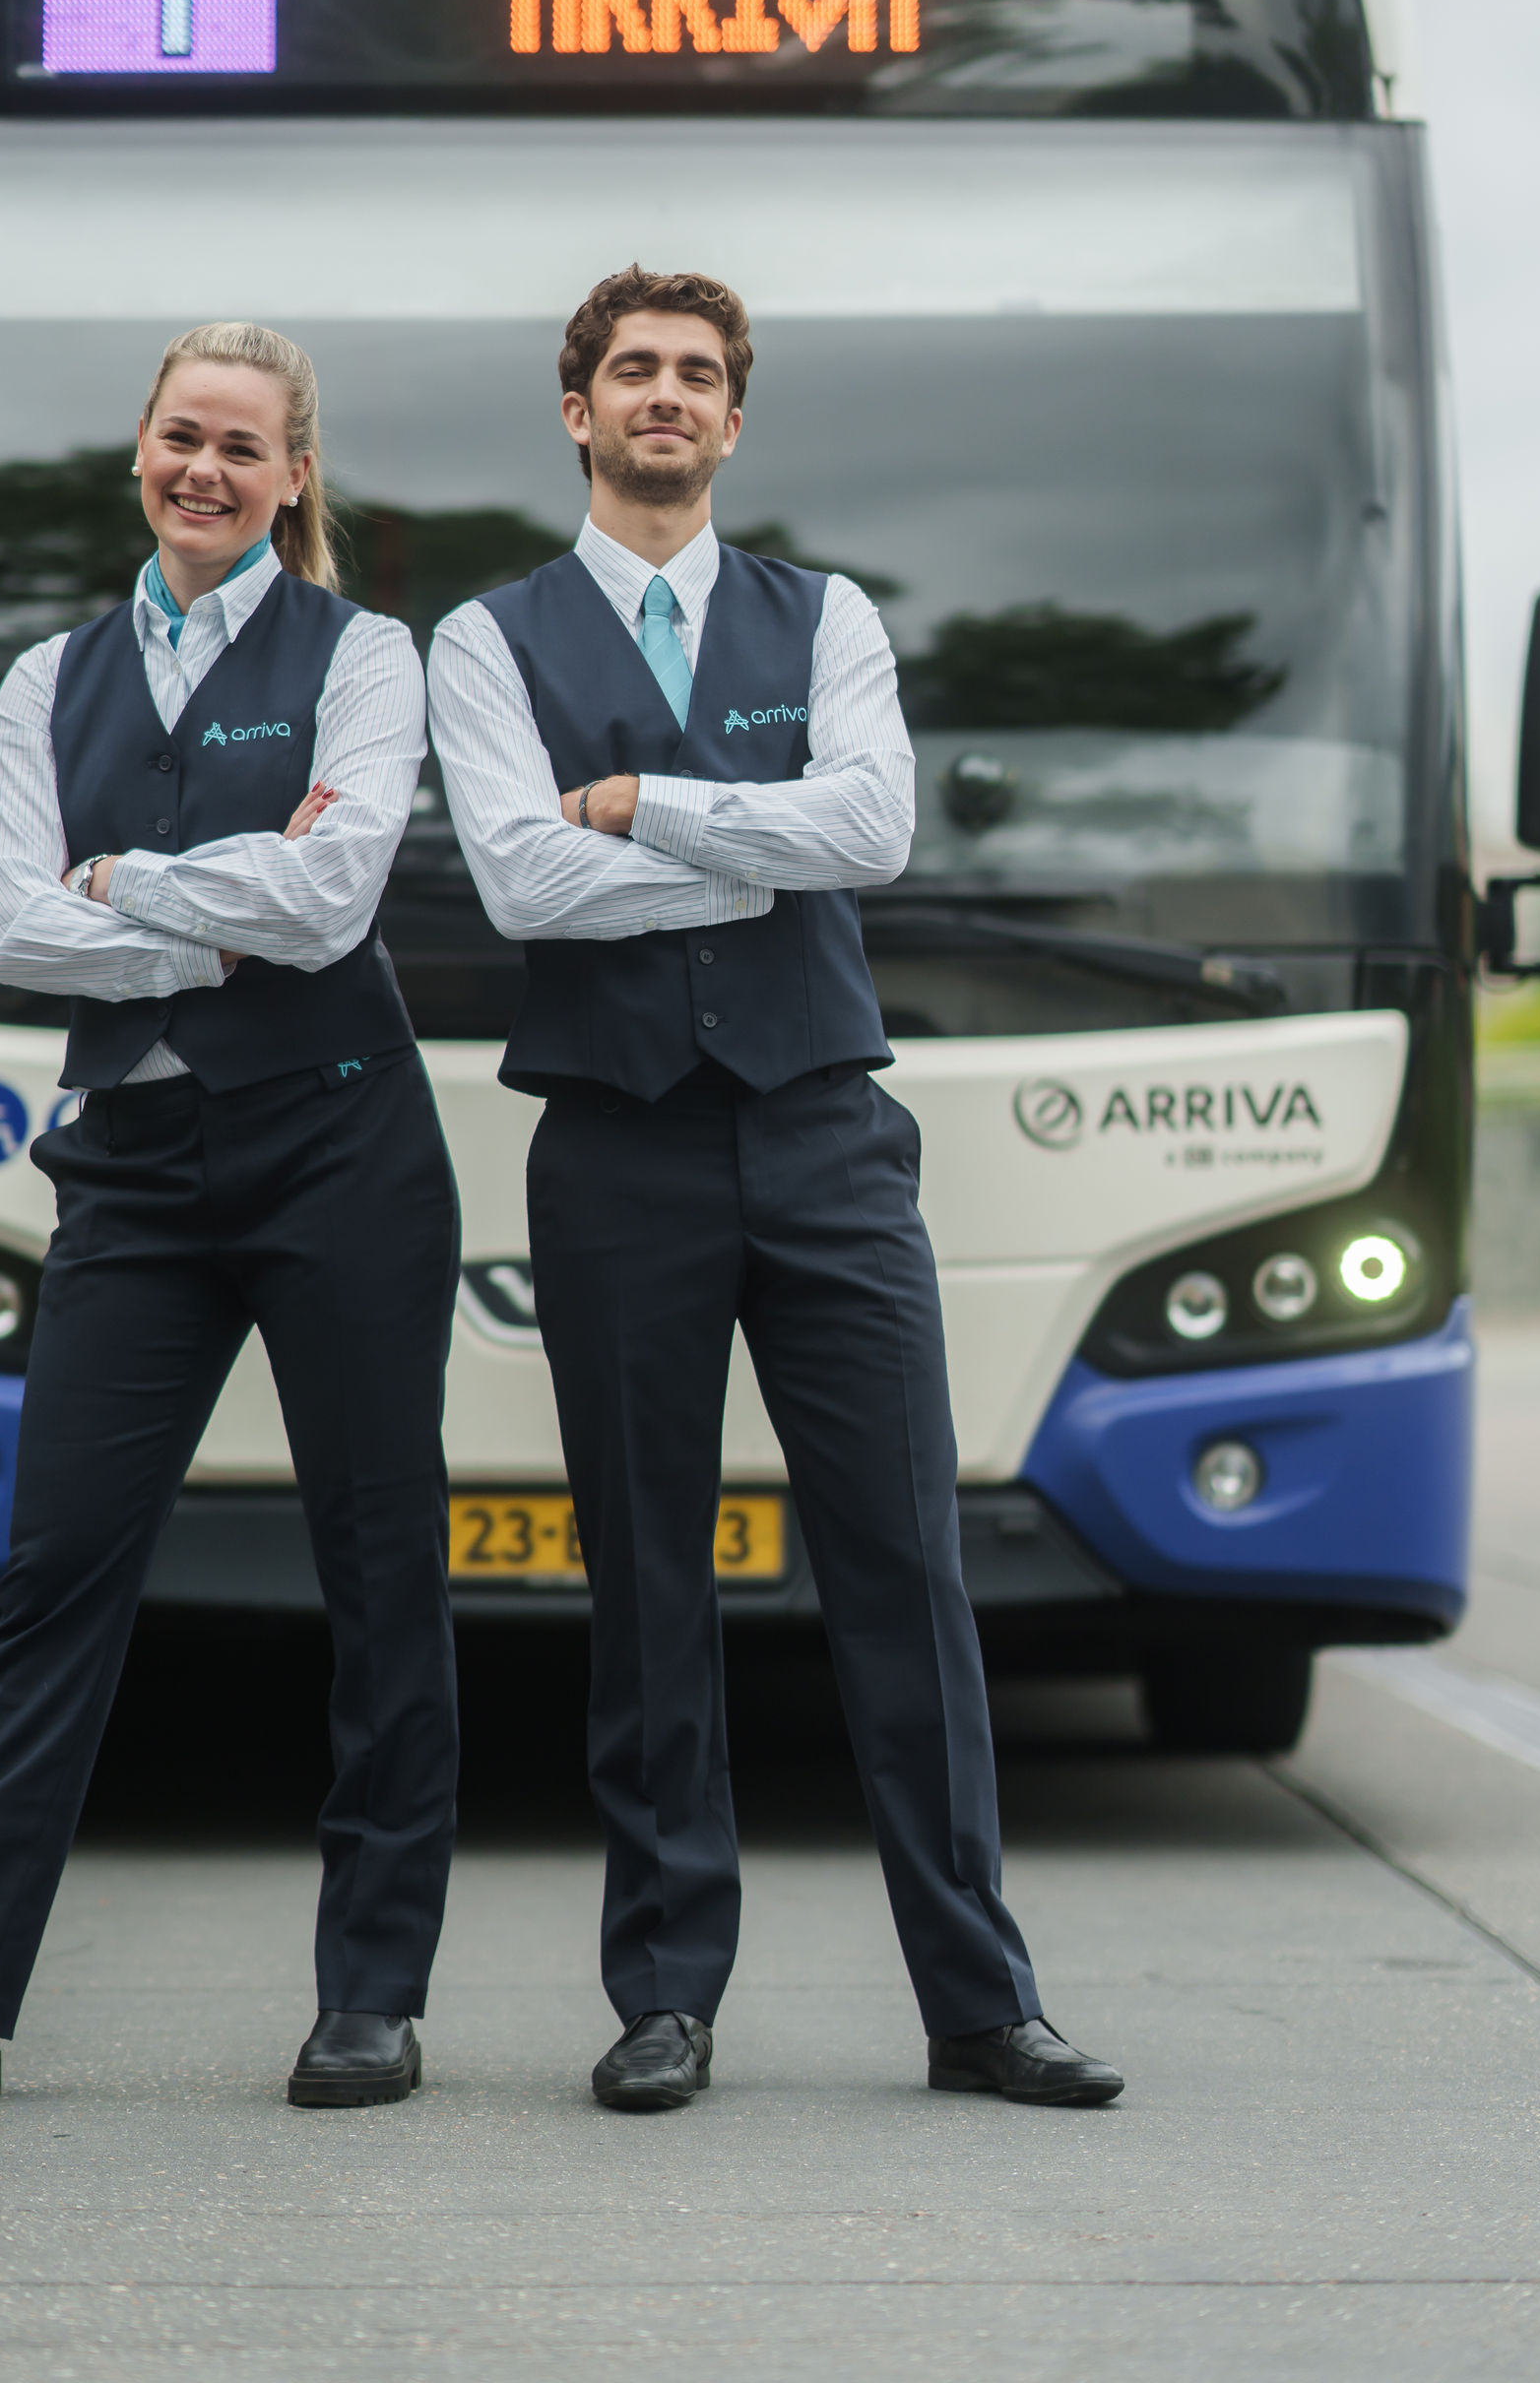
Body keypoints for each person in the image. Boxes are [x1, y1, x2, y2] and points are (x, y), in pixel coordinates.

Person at [425, 266, 1123, 2114]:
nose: (667, 397)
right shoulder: (485, 643)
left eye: (699, 377)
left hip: (826, 1140)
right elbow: (516, 889)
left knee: (907, 1566)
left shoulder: (831, 620)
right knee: (648, 1587)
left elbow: (873, 834)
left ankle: (981, 2003)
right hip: (617, 1152)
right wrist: (766, 838)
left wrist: (641, 804)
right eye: (633, 372)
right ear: (576, 412)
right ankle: (664, 1997)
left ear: (736, 422)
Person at [0, 322, 460, 2115]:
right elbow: (11, 934)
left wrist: (124, 884)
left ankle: (371, 1994)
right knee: (55, 1577)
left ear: (298, 474)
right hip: (132, 1166)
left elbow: (337, 897)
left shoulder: (366, 657)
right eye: (179, 438)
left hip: (342, 1152)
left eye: (243, 446)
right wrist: (231, 901)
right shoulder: (40, 681)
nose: (205, 470)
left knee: (381, 1570)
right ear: (137, 454)